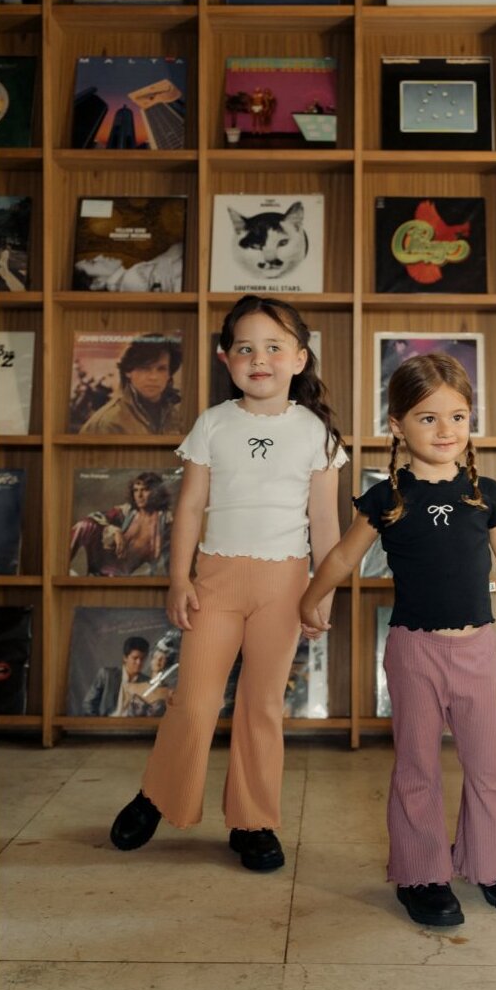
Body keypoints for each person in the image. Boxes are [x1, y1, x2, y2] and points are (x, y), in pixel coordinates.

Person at [299, 353, 496, 927]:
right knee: (417, 767)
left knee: (489, 763)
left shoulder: (484, 496)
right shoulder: (386, 499)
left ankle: (490, 861)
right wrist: (310, 599)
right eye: (428, 418)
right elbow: (343, 557)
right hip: (414, 653)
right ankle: (421, 872)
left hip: (479, 651)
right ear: (397, 425)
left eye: (457, 417)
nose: (445, 430)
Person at [109, 294, 346, 871]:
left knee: (261, 706)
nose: (259, 359)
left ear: (300, 358)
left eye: (274, 347)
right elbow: (190, 507)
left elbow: (325, 524)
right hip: (215, 583)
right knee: (194, 702)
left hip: (284, 587)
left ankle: (253, 820)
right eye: (245, 348)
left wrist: (322, 596)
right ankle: (158, 794)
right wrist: (178, 578)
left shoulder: (315, 432)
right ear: (226, 358)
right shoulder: (213, 424)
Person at [69, 471, 173, 577]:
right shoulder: (127, 511)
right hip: (102, 558)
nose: (139, 495)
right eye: (136, 490)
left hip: (121, 573)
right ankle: (63, 565)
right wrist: (115, 531)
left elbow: (171, 555)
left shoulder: (166, 520)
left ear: (157, 491)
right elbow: (94, 516)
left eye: (145, 490)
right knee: (84, 525)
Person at [80, 335, 182, 435]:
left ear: (169, 374)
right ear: (128, 371)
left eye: (161, 369)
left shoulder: (177, 414)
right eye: (145, 368)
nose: (153, 377)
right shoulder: (107, 423)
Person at [81, 636, 151, 717]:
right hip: (106, 723)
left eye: (142, 659)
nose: (139, 662)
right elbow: (88, 704)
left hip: (134, 724)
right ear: (125, 658)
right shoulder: (106, 675)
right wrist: (98, 723)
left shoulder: (147, 682)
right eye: (135, 658)